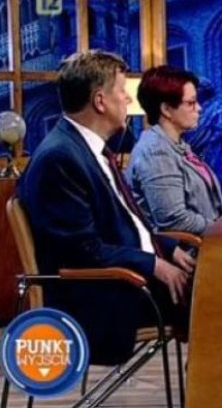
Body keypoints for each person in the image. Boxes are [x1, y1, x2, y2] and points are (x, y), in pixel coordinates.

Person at [17, 51, 195, 365]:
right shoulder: (60, 158)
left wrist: (167, 248)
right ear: (100, 101)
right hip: (104, 296)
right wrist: (155, 265)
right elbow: (82, 251)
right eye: (122, 91)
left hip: (129, 278)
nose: (128, 99)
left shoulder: (87, 148)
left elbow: (124, 225)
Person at [126, 66, 222, 236]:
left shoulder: (176, 144)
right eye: (191, 103)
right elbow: (174, 219)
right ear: (166, 109)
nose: (199, 108)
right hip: (190, 248)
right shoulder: (156, 151)